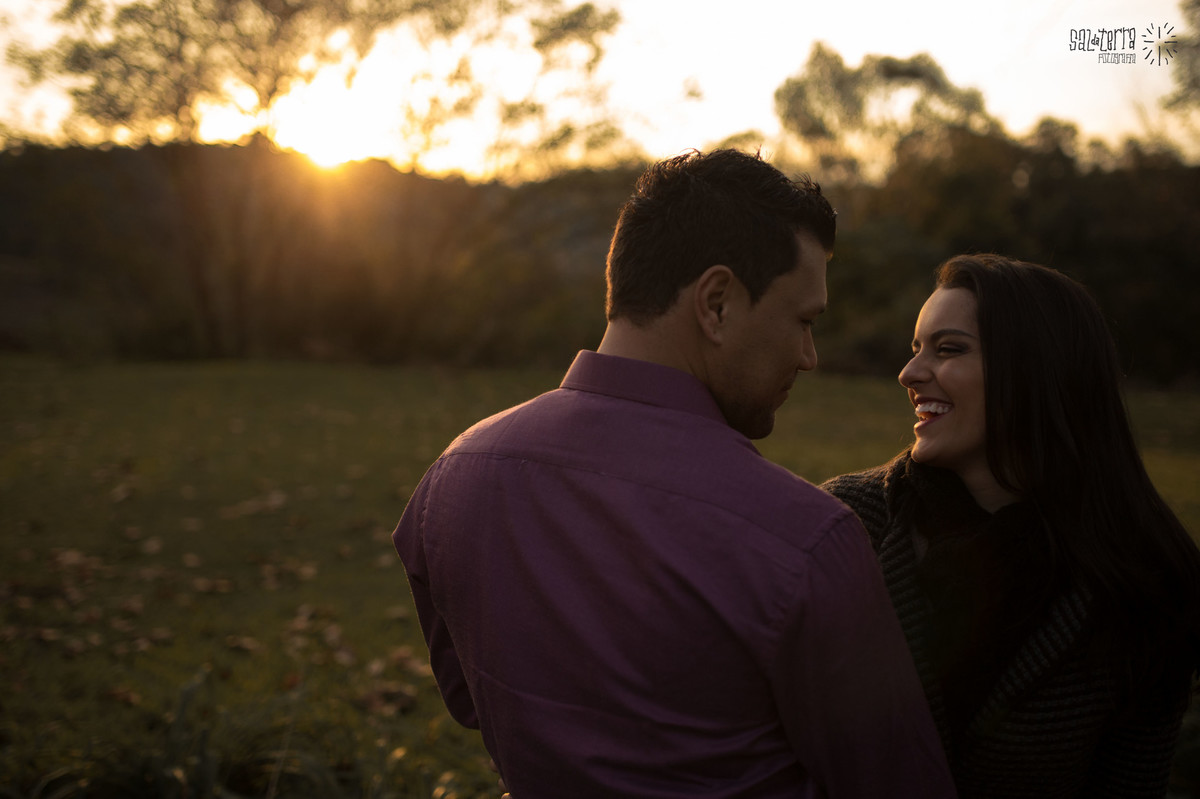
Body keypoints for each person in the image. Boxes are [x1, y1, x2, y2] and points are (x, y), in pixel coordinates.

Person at [392, 149, 956, 798]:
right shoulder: (806, 541)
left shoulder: (453, 477)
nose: (809, 356)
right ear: (716, 302)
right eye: (803, 321)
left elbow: (471, 705)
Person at [821, 253, 1200, 798]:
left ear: (1037, 369)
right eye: (915, 350)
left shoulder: (1142, 578)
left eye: (948, 349)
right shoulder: (849, 521)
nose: (909, 374)